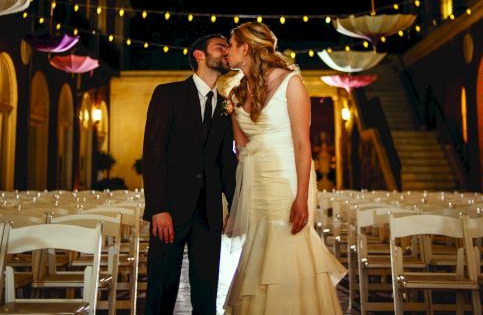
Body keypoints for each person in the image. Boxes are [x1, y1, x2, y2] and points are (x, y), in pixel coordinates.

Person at [224, 22, 346, 314]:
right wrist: (231, 110)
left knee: (287, 247)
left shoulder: (291, 82)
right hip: (256, 183)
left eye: (230, 45)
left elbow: (303, 145)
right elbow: (241, 149)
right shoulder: (237, 92)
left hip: (286, 181)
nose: (226, 52)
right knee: (260, 250)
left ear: (245, 48)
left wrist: (301, 196)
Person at [142, 34, 238, 315]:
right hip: (169, 211)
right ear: (199, 55)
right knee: (161, 292)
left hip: (209, 214)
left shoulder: (225, 105)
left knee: (206, 298)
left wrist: (233, 207)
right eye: (220, 47)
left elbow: (226, 163)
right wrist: (158, 208)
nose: (226, 52)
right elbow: (153, 154)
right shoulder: (167, 94)